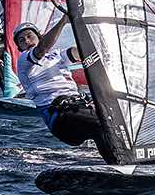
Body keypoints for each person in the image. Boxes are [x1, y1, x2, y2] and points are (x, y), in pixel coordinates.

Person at [14, 11, 120, 162]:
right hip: (61, 117)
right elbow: (43, 48)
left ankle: (134, 158)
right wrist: (64, 20)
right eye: (21, 40)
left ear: (39, 36)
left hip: (78, 108)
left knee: (117, 119)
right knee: (102, 123)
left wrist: (95, 37)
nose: (26, 41)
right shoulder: (25, 60)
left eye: (30, 36)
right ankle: (119, 165)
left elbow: (80, 53)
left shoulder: (57, 55)